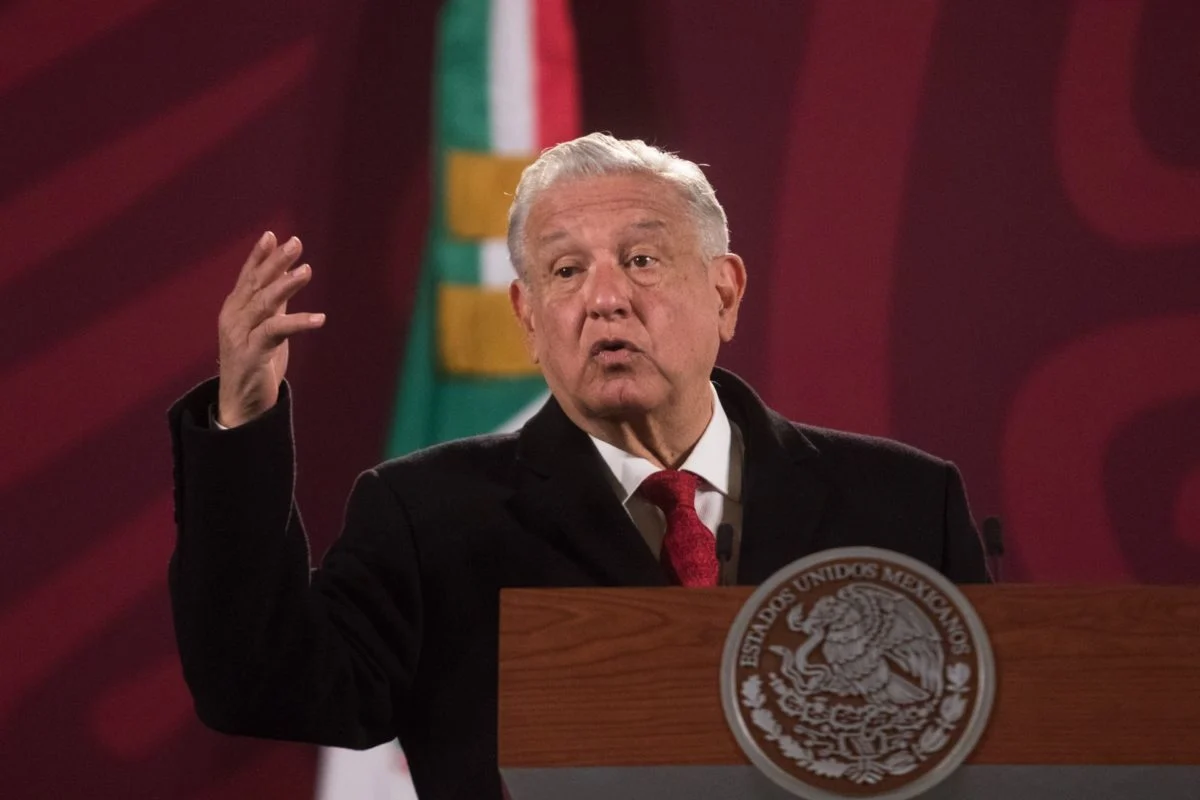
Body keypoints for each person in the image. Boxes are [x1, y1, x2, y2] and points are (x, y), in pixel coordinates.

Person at [167, 133, 988, 800]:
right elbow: (257, 681)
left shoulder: (906, 506)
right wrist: (243, 422)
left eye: (642, 260)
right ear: (528, 318)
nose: (604, 299)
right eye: (566, 271)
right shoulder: (428, 518)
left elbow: (990, 751)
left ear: (725, 293)